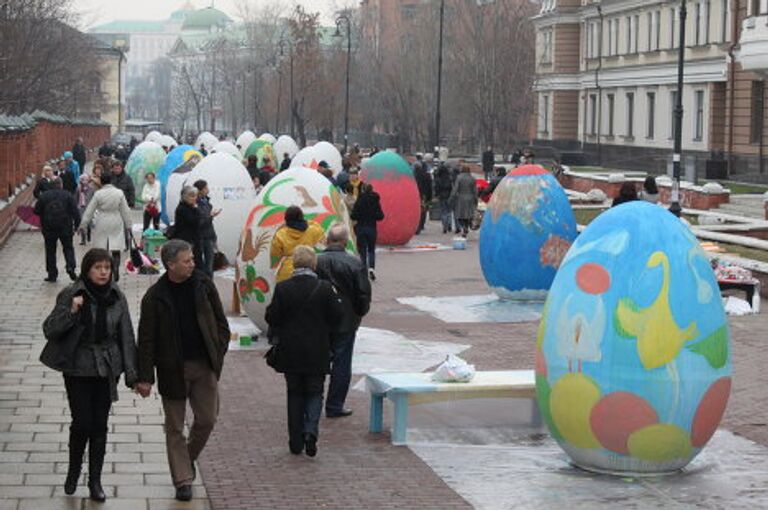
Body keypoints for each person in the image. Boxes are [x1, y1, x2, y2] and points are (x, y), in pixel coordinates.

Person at [41, 248, 137, 502]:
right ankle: (74, 470)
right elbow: (50, 330)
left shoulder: (117, 296)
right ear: (87, 270)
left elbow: (126, 334)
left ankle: (95, 480)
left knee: (100, 425)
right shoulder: (72, 293)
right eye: (98, 268)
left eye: (107, 268)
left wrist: (133, 374)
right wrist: (72, 311)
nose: (104, 272)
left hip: (107, 367)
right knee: (82, 422)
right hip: (78, 366)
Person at [136, 240, 230, 502]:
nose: (193, 264)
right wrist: (144, 377)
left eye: (192, 259)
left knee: (207, 419)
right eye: (187, 260)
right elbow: (146, 339)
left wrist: (218, 350)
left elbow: (221, 322)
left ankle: (184, 461)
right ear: (170, 265)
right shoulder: (155, 297)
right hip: (172, 369)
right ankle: (183, 480)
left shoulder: (203, 285)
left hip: (204, 365)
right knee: (175, 426)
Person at [265, 246, 344, 457]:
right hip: (317, 349)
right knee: (315, 392)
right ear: (314, 264)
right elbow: (337, 317)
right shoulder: (325, 288)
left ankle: (295, 441)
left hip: (290, 351)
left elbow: (272, 317)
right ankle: (311, 431)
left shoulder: (283, 288)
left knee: (294, 393)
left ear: (294, 264)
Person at [316, 224, 371, 418]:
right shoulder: (354, 263)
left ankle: (313, 403)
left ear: (328, 240)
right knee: (342, 363)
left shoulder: (316, 261)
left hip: (320, 320)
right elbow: (363, 294)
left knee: (317, 362)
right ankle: (335, 404)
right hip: (345, 320)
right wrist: (358, 313)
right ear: (346, 241)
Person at [79, 173, 132, 282]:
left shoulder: (98, 194)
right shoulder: (119, 193)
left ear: (101, 182)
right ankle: (116, 267)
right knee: (116, 246)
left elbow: (89, 210)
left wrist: (83, 225)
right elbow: (125, 210)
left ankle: (105, 267)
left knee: (102, 247)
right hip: (116, 219)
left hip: (102, 220)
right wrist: (129, 225)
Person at [34, 178, 80, 282]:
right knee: (68, 248)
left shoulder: (44, 196)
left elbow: (36, 211)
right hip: (65, 227)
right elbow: (75, 212)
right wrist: (77, 225)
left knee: (50, 250)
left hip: (48, 228)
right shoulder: (68, 195)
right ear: (61, 185)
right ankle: (70, 267)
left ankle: (52, 274)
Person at [270, 206, 326, 283]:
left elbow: (275, 253)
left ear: (286, 219)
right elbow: (320, 229)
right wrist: (306, 222)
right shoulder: (312, 230)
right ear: (302, 217)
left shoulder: (280, 234)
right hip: (308, 267)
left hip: (286, 272)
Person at [350, 183, 384, 280]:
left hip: (361, 228)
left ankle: (363, 269)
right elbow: (381, 216)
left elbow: (353, 216)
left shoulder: (359, 200)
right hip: (372, 228)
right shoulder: (375, 201)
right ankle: (371, 268)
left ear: (363, 190)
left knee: (362, 250)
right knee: (371, 249)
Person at [193, 179, 221, 277]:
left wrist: (214, 238)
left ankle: (209, 286)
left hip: (209, 235)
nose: (207, 190)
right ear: (199, 190)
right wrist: (211, 216)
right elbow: (200, 222)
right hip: (200, 236)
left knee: (210, 265)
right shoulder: (196, 204)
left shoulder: (206, 202)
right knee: (200, 264)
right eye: (205, 188)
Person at [172, 186, 201, 258]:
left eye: (195, 196)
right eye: (192, 196)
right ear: (185, 197)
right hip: (186, 241)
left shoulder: (191, 207)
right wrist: (196, 209)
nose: (195, 198)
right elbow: (195, 221)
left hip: (193, 239)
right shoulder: (182, 209)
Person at [450, 166, 478, 237]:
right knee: (468, 214)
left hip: (461, 198)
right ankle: (467, 225)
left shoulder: (459, 177)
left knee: (460, 215)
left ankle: (464, 227)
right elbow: (475, 190)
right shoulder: (472, 178)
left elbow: (455, 188)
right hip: (470, 198)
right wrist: (476, 199)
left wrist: (452, 197)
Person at [414, 158, 433, 234]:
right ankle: (421, 225)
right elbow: (429, 187)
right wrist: (430, 197)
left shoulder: (414, 176)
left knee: (417, 210)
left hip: (416, 195)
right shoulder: (427, 175)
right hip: (424, 195)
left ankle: (417, 225)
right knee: (423, 210)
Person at [434, 163, 454, 234]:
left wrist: (436, 195)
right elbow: (452, 188)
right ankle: (449, 225)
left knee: (443, 211)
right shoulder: (449, 178)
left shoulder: (438, 179)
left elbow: (437, 188)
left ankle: (444, 226)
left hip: (442, 196)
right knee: (449, 211)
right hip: (449, 196)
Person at [76, 174, 95, 245]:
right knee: (82, 223)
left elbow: (94, 199)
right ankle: (83, 239)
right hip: (81, 207)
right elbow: (76, 198)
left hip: (89, 207)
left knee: (89, 223)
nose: (84, 182)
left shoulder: (91, 189)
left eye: (86, 180)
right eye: (82, 180)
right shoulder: (78, 189)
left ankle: (89, 232)